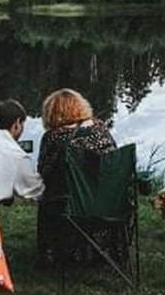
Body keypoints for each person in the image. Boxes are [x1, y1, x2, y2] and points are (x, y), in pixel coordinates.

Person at [36, 88, 121, 267]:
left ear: (52, 113)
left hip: (70, 208)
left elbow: (44, 174)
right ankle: (105, 249)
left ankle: (54, 252)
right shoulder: (100, 129)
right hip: (110, 205)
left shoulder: (53, 138)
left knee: (46, 197)